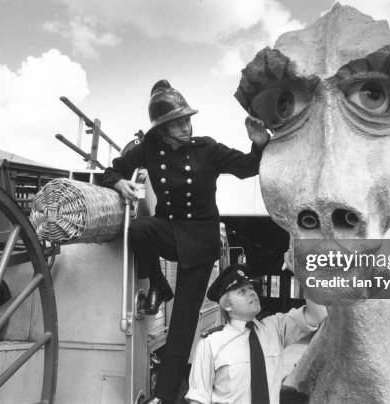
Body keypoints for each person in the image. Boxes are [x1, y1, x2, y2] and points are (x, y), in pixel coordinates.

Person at [102, 80, 269, 403]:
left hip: (201, 239)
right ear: (162, 129)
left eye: (187, 119)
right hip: (168, 228)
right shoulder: (150, 148)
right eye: (177, 122)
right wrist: (120, 181)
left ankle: (164, 397)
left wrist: (259, 143)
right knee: (139, 231)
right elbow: (114, 169)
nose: (186, 126)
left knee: (181, 326)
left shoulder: (208, 148)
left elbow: (249, 168)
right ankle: (159, 284)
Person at [185, 260, 327, 404]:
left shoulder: (275, 327)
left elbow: (318, 314)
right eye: (242, 291)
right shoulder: (210, 344)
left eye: (251, 288)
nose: (252, 293)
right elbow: (199, 399)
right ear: (226, 305)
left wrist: (302, 273)